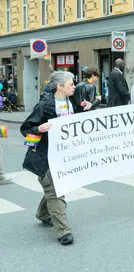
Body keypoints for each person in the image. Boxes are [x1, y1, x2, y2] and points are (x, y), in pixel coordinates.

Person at [20, 71, 92, 245]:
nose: (74, 86)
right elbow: (26, 130)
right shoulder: (44, 106)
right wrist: (39, 129)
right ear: (59, 86)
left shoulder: (73, 101)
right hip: (45, 157)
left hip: (66, 156)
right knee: (56, 192)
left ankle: (43, 214)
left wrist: (89, 106)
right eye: (71, 84)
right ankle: (63, 231)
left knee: (55, 189)